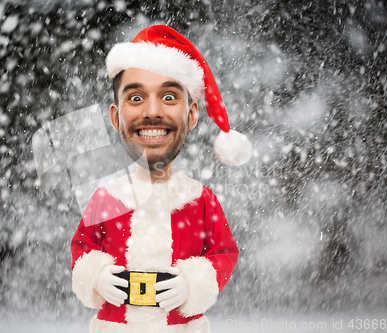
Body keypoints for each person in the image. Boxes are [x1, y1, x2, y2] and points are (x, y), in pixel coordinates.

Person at [71, 25, 252, 332]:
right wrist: (96, 276)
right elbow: (82, 247)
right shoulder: (107, 198)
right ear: (116, 118)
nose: (152, 111)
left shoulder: (201, 200)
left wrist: (194, 284)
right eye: (136, 97)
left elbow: (223, 254)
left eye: (169, 96)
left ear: (192, 115)